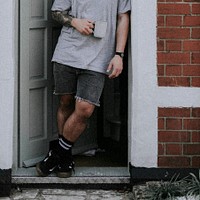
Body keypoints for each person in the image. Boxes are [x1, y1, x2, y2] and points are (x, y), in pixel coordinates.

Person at [36, 0, 131, 178]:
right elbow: (56, 12)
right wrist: (74, 22)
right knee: (66, 103)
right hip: (67, 52)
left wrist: (119, 54)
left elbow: (123, 17)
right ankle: (64, 158)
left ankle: (55, 154)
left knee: (85, 109)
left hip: (99, 58)